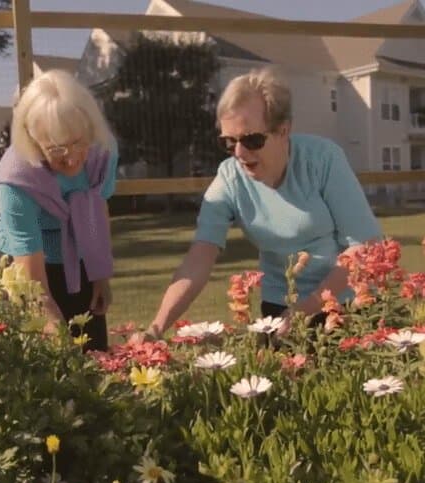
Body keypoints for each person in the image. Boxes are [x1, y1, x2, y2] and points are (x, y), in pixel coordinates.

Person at [148, 66, 382, 336]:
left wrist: (307, 308)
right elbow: (199, 258)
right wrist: (155, 328)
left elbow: (365, 247)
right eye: (228, 142)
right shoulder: (229, 179)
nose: (238, 152)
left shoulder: (323, 160)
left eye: (252, 140)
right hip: (280, 309)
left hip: (346, 302)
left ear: (283, 131)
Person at [0, 70, 118, 351]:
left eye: (78, 143)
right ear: (34, 141)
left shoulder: (103, 152)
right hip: (26, 265)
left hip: (81, 255)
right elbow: (31, 278)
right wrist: (56, 331)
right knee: (44, 361)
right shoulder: (16, 179)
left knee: (94, 354)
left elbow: (98, 209)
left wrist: (100, 275)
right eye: (57, 149)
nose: (72, 159)